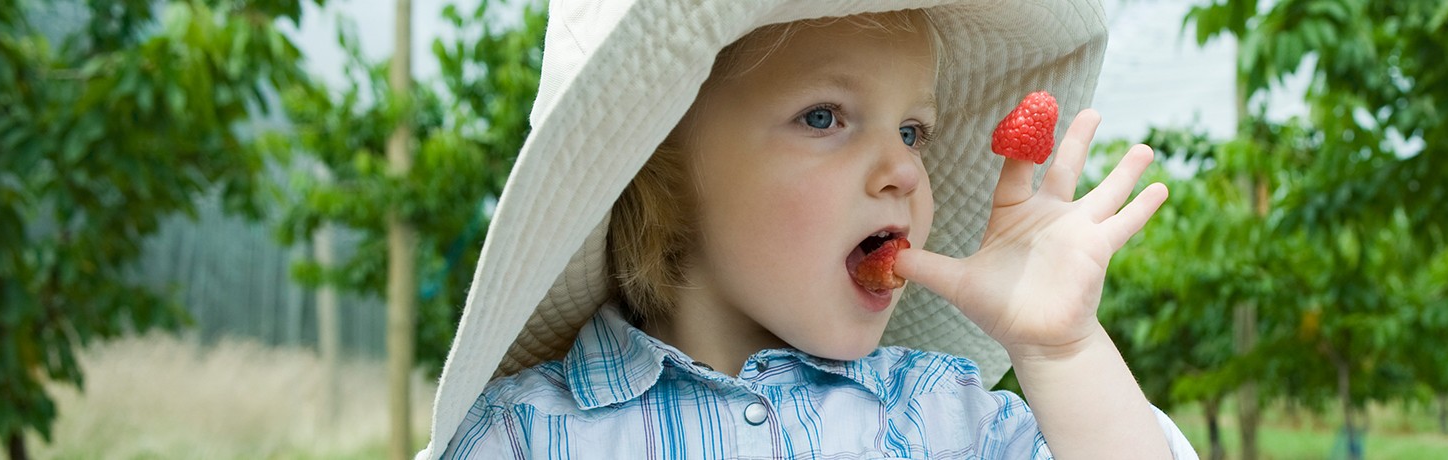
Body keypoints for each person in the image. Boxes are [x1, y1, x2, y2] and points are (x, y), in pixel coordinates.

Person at [416, 1, 1196, 458]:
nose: (904, 169)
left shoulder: (939, 418)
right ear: (658, 163)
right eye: (824, 117)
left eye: (914, 130)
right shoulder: (527, 437)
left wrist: (1062, 349)